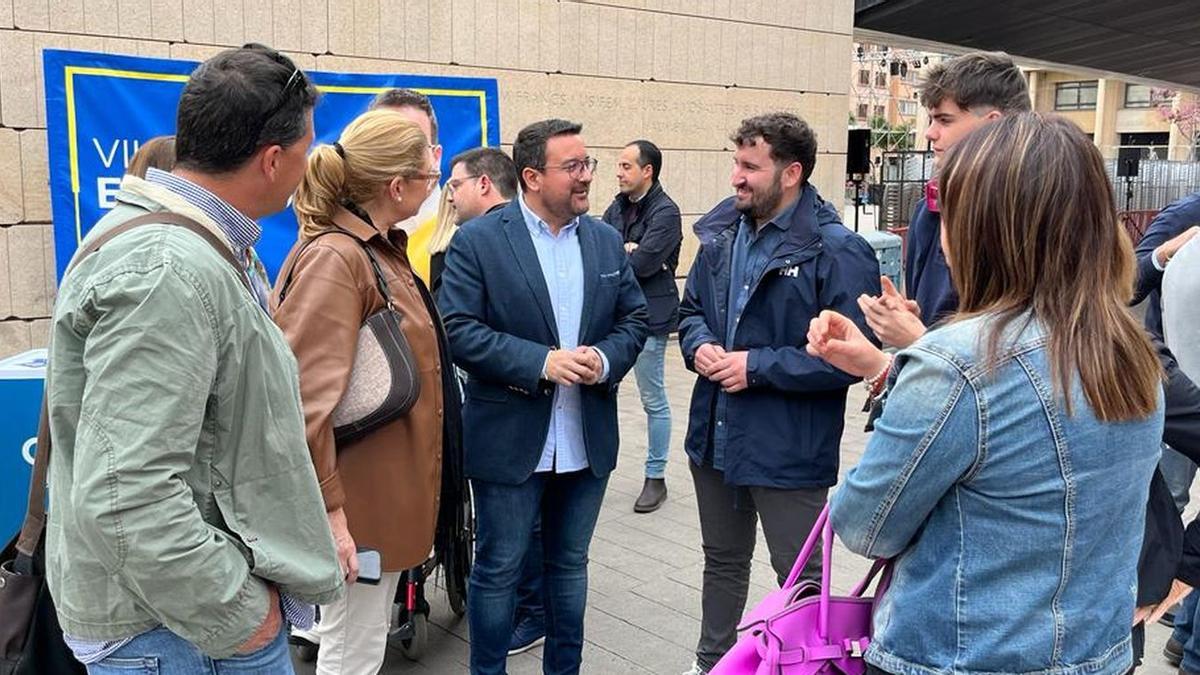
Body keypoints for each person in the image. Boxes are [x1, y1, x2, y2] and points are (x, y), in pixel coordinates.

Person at [809, 112, 1164, 675]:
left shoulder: (959, 363)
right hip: (1098, 653)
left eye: (951, 213)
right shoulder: (1128, 349)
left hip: (960, 656)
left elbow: (863, 524)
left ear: (988, 230)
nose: (943, 234)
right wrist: (886, 370)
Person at [44, 44, 343, 673]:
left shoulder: (190, 245)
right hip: (179, 634)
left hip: (177, 625)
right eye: (305, 151)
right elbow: (127, 496)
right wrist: (243, 616)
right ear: (271, 160)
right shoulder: (168, 270)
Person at [438, 118, 648, 674]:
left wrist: (603, 359)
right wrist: (541, 362)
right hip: (510, 439)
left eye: (588, 165)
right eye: (573, 167)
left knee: (569, 567)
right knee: (499, 568)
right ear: (531, 177)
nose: (586, 178)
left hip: (586, 439)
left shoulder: (603, 240)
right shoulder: (480, 240)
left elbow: (634, 319)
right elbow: (456, 328)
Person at [677, 112, 881, 675]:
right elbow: (690, 313)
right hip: (714, 438)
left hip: (787, 450)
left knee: (801, 581)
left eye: (750, 167)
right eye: (736, 163)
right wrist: (698, 348)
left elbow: (853, 357)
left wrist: (757, 367)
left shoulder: (838, 250)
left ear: (791, 173)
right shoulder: (720, 234)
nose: (736, 178)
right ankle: (712, 664)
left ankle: (807, 667)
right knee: (721, 562)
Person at [270, 109, 448, 674]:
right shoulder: (339, 256)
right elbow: (299, 402)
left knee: (354, 644)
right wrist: (333, 516)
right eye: (427, 174)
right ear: (397, 186)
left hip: (376, 497)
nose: (433, 185)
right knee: (352, 652)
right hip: (357, 505)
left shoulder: (370, 248)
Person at [862, 51, 1030, 349]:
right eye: (931, 119)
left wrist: (920, 342)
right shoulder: (928, 211)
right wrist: (910, 321)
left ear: (993, 125)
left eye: (944, 120)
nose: (929, 133)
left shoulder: (1035, 218)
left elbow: (1025, 356)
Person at [602, 139, 683, 514]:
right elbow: (598, 254)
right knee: (604, 394)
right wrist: (626, 248)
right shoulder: (615, 208)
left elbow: (643, 265)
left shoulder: (666, 212)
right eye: (618, 166)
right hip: (614, 319)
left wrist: (627, 252)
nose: (618, 173)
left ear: (647, 171)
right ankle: (599, 468)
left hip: (651, 318)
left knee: (653, 400)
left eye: (625, 166)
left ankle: (656, 477)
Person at [1133, 193, 1200, 516]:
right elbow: (1127, 286)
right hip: (1180, 384)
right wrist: (1162, 255)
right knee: (1170, 498)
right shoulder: (1186, 213)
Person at [370, 88, 444, 282]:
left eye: (412, 144)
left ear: (436, 157)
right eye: (383, 142)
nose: (396, 155)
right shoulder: (341, 234)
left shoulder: (461, 237)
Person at [432, 146, 519, 296]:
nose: (449, 197)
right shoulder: (542, 233)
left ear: (483, 184)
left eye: (456, 186)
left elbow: (450, 313)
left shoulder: (469, 240)